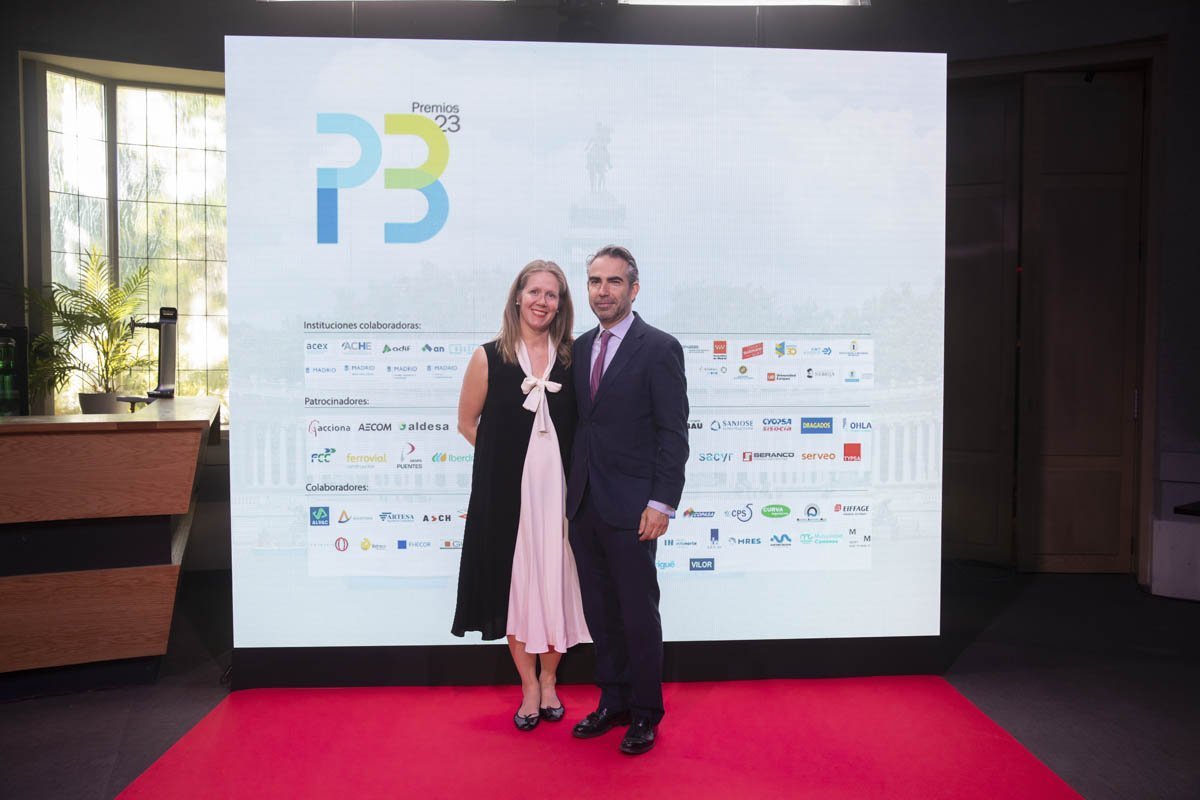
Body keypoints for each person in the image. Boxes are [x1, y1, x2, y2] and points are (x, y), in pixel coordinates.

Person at [451, 260, 590, 732]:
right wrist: (507, 463)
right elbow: (467, 423)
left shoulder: (573, 358)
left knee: (555, 586)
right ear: (517, 296)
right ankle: (528, 685)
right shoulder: (488, 357)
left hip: (561, 501)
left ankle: (550, 680)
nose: (542, 302)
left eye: (552, 295)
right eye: (535, 292)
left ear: (561, 305)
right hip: (508, 501)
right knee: (516, 590)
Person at [566, 245, 689, 755]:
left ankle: (644, 712)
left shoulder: (659, 348)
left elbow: (672, 433)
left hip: (635, 508)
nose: (603, 291)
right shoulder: (578, 348)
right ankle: (613, 701)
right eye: (595, 281)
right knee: (600, 612)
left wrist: (661, 503)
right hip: (584, 505)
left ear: (633, 289)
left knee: (638, 615)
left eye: (614, 282)